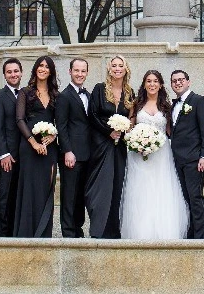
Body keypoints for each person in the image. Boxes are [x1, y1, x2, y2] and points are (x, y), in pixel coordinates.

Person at [120, 70, 186, 239]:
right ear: (144, 84)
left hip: (161, 155)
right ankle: (140, 232)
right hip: (139, 155)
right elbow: (130, 128)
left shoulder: (166, 106)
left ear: (161, 84)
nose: (152, 84)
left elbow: (171, 131)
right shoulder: (137, 104)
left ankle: (164, 231)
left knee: (161, 190)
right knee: (140, 191)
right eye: (148, 81)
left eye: (155, 81)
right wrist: (136, 142)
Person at [85, 55, 135, 239]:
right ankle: (98, 229)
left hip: (119, 146)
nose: (117, 68)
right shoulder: (99, 89)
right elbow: (93, 115)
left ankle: (114, 230)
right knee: (99, 186)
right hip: (101, 144)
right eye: (114, 65)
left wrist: (125, 130)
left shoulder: (129, 92)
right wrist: (108, 131)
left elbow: (132, 116)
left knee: (117, 185)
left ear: (125, 68)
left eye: (120, 65)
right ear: (109, 69)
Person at [14, 56, 60, 238]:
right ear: (35, 69)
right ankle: (26, 234)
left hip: (49, 148)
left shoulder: (56, 94)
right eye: (40, 66)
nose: (43, 69)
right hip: (29, 147)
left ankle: (43, 233)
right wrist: (33, 142)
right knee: (30, 189)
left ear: (51, 71)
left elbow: (61, 121)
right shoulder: (25, 92)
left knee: (46, 188)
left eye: (46, 67)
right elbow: (19, 119)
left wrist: (54, 134)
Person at [170, 68, 204, 239]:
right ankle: (190, 232)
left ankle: (199, 236)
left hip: (194, 160)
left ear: (188, 82)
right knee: (186, 199)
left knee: (195, 197)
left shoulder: (199, 101)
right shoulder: (174, 104)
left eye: (181, 79)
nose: (178, 82)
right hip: (178, 160)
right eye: (174, 81)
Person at [56, 57, 92, 238]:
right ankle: (68, 232)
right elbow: (61, 126)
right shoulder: (64, 96)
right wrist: (67, 151)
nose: (80, 74)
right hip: (71, 155)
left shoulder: (89, 94)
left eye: (83, 71)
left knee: (80, 196)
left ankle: (78, 229)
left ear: (87, 72)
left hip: (87, 154)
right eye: (76, 71)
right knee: (69, 195)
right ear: (70, 72)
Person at [0, 58, 23, 236]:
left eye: (16, 71)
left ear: (21, 73)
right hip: (7, 157)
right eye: (9, 72)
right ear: (4, 75)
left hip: (24, 156)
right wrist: (3, 154)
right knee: (5, 195)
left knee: (18, 195)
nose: (13, 74)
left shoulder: (26, 94)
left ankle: (16, 231)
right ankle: (2, 234)